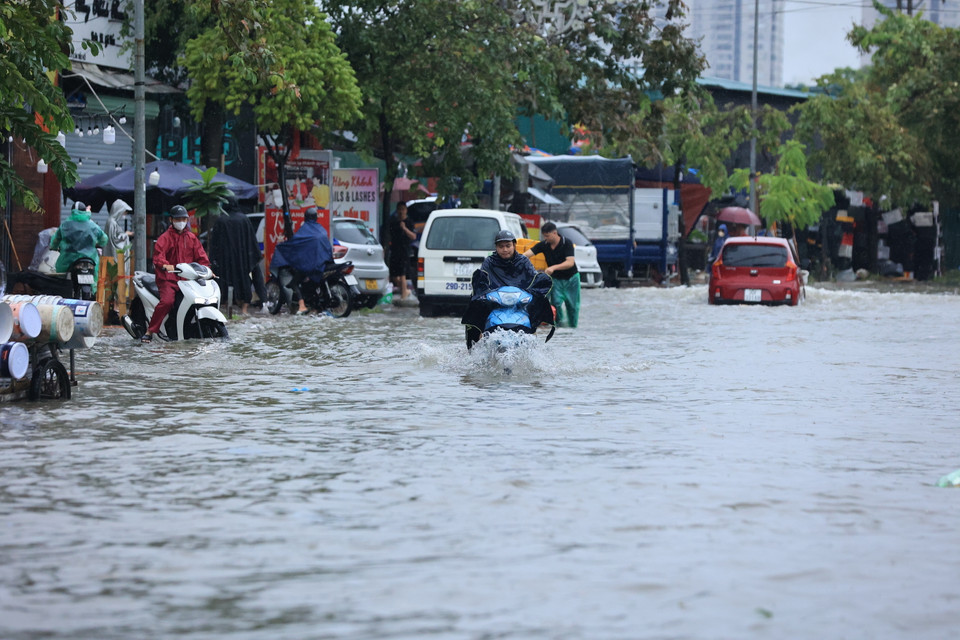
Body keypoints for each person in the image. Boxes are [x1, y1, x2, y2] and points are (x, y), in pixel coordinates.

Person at [462, 229, 553, 349]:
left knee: (535, 312)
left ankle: (533, 347)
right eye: (501, 246)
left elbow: (534, 280)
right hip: (495, 302)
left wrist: (533, 293)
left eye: (508, 246)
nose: (505, 249)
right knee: (474, 311)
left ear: (514, 245)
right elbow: (481, 282)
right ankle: (473, 351)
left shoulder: (523, 261)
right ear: (496, 247)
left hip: (519, 302)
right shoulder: (489, 262)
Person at [142, 205, 212, 342]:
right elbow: (158, 257)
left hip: (188, 280)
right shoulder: (165, 238)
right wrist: (165, 265)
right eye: (178, 219)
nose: (181, 222)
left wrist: (207, 269)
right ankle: (150, 331)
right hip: (168, 279)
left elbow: (202, 257)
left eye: (183, 219)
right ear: (171, 220)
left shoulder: (192, 238)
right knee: (167, 302)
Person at [272, 207, 334, 315]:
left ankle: (302, 305)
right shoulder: (321, 229)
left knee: (293, 282)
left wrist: (282, 247)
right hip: (323, 263)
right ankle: (314, 307)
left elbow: (295, 244)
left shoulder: (305, 229)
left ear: (305, 217)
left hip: (311, 265)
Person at [209, 198, 262, 314]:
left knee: (224, 281)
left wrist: (213, 259)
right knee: (244, 281)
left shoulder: (221, 220)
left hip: (225, 260)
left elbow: (214, 243)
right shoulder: (244, 219)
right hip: (242, 259)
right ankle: (244, 309)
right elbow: (251, 240)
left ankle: (225, 308)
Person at [523, 221, 580, 328]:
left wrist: (553, 267)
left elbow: (570, 262)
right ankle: (560, 326)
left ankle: (573, 328)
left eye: (547, 236)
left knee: (572, 306)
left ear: (554, 233)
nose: (546, 238)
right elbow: (527, 255)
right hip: (556, 279)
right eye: (544, 236)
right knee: (556, 303)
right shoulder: (544, 245)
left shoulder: (566, 243)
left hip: (571, 278)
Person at [50, 201, 109, 294]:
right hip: (90, 260)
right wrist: (97, 242)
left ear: (72, 211)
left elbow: (55, 240)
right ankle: (93, 293)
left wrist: (53, 247)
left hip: (68, 260)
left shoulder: (65, 225)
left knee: (62, 279)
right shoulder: (92, 225)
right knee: (94, 278)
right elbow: (104, 239)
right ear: (84, 211)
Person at [388, 202, 417, 302]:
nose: (401, 211)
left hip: (405, 251)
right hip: (395, 251)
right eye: (399, 209)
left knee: (402, 274)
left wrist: (404, 228)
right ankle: (406, 290)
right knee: (394, 276)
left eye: (403, 209)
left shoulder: (409, 222)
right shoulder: (393, 222)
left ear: (406, 210)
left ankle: (404, 295)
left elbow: (413, 236)